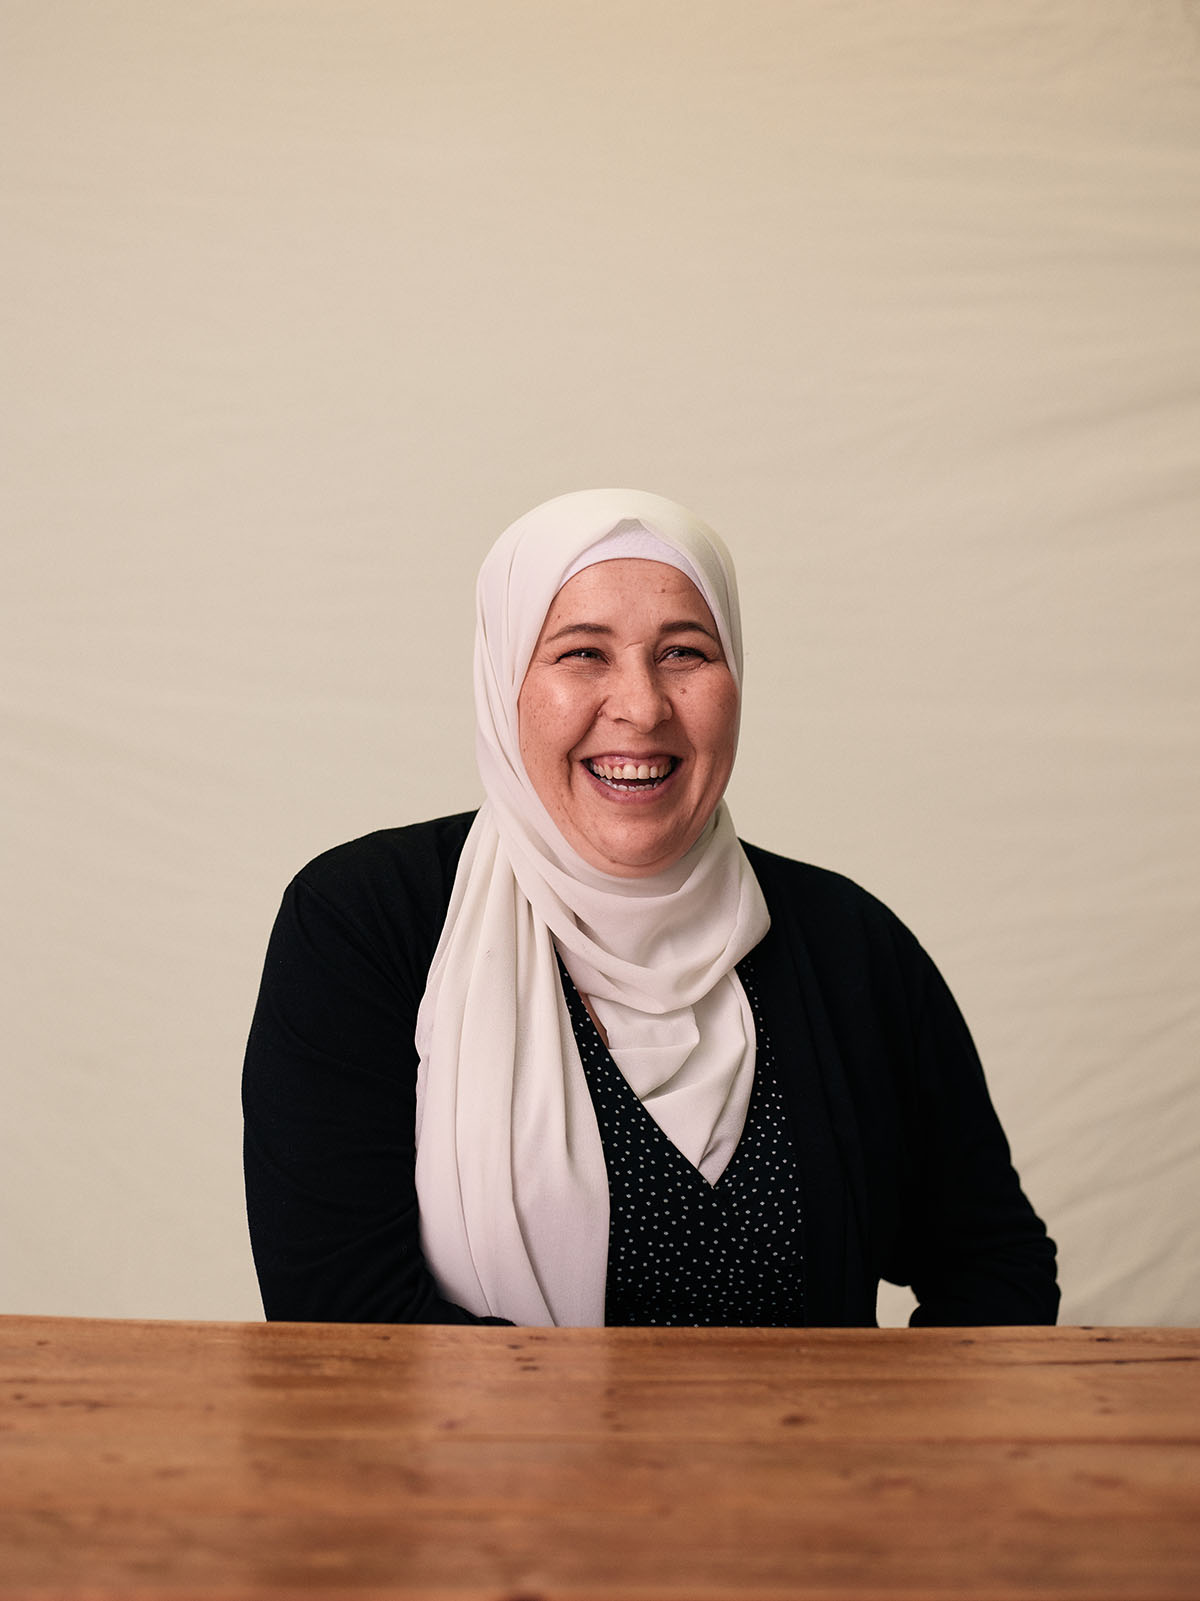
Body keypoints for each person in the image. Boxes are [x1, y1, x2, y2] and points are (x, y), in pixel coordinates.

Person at [242, 489, 1059, 1327]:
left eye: (684, 653)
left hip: (808, 1464)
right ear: (504, 682)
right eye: (582, 653)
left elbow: (997, 1267)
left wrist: (884, 1449)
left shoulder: (851, 944)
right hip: (473, 1463)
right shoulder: (365, 924)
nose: (641, 706)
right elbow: (338, 1317)